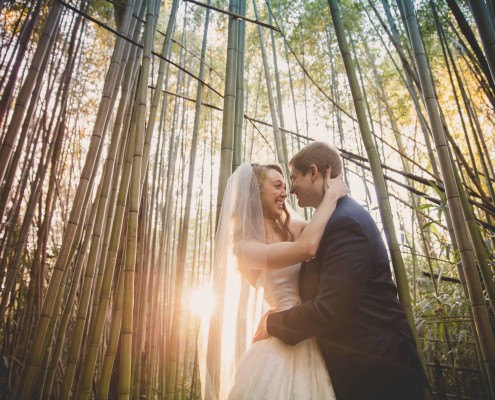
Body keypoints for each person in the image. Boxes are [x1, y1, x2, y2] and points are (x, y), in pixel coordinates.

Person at [254, 141, 427, 400]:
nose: (290, 189)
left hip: (378, 369)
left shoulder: (344, 223)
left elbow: (330, 309)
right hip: (359, 366)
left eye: (293, 178)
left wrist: (272, 322)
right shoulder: (328, 221)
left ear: (314, 172)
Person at [198, 161, 347, 400]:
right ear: (256, 191)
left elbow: (322, 230)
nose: (284, 193)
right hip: (281, 336)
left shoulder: (291, 227)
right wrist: (330, 197)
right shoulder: (244, 247)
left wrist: (328, 191)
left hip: (312, 326)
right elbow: (307, 248)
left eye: (285, 187)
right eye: (277, 186)